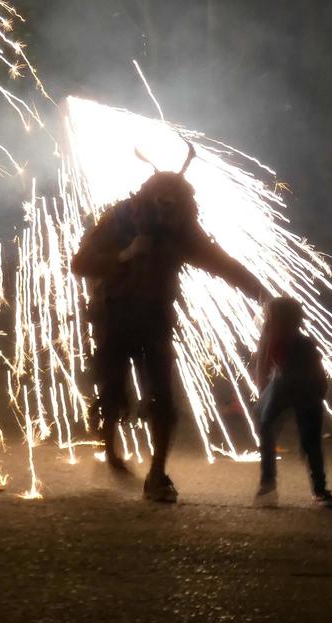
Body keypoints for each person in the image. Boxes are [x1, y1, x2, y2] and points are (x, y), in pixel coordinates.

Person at [71, 160, 269, 503]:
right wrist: (124, 255)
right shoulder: (118, 221)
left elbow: (221, 263)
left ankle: (157, 474)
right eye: (161, 199)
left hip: (155, 320)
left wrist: (263, 294)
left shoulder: (182, 232)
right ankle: (110, 443)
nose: (166, 207)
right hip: (112, 319)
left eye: (173, 201)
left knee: (163, 398)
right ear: (148, 199)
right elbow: (80, 263)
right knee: (113, 395)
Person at [252, 296, 332, 509]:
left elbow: (263, 368)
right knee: (308, 443)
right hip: (298, 388)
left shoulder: (287, 341)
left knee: (275, 432)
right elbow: (264, 367)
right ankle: (318, 491)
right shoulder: (291, 341)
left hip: (298, 389)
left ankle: (269, 485)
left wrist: (263, 396)